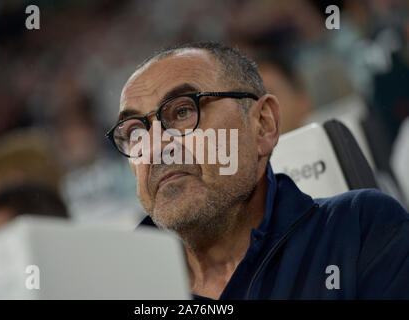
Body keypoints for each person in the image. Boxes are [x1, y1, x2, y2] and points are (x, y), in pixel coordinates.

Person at [106, 41, 409, 299]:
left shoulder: (359, 229)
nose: (156, 146)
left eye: (183, 111)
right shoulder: (117, 289)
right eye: (135, 132)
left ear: (263, 124)